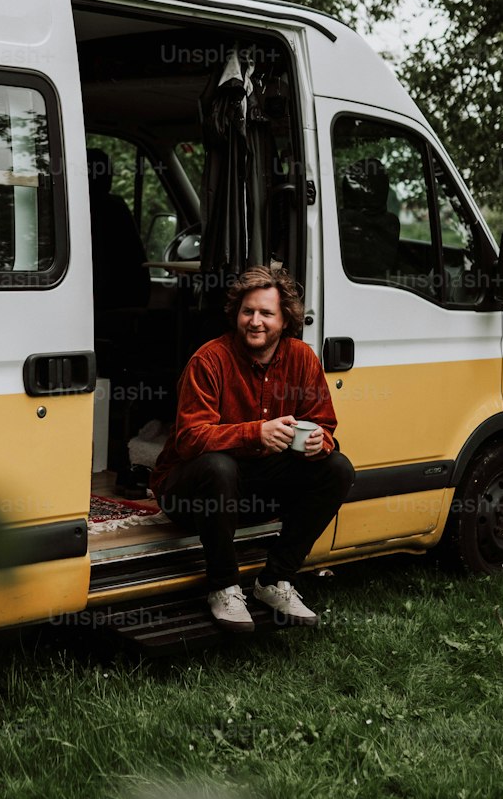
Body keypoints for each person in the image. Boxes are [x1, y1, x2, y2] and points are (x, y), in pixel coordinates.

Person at [150, 266, 355, 631]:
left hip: (252, 488)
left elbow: (324, 425)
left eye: (266, 313)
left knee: (338, 467)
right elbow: (189, 438)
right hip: (190, 490)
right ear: (236, 314)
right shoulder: (209, 360)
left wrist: (316, 443)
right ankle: (224, 586)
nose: (255, 321)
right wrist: (254, 434)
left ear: (285, 318)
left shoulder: (302, 358)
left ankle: (275, 581)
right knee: (219, 467)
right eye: (248, 312)